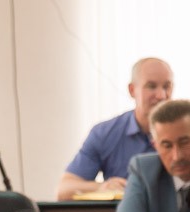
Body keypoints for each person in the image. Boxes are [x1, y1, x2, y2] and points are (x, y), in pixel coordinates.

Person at [56, 57, 174, 201]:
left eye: (167, 86)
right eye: (151, 86)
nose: (161, 95)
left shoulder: (189, 133)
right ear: (132, 90)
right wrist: (102, 187)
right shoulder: (104, 134)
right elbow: (64, 190)